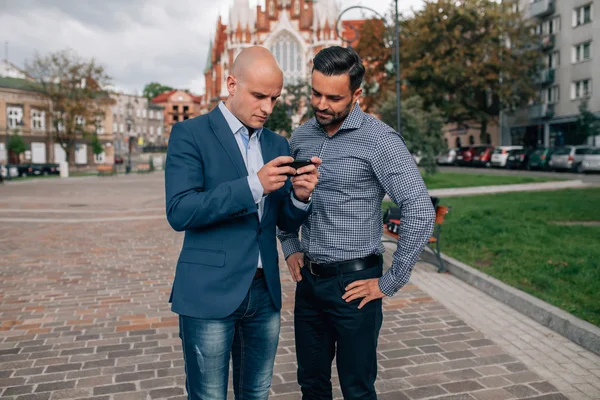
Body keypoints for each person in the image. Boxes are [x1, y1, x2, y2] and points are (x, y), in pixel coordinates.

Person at [277, 46, 435, 400]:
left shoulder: (380, 140)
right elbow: (285, 201)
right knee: (311, 385)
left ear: (356, 94)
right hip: (309, 285)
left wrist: (390, 282)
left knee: (357, 389)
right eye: (315, 93)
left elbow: (420, 210)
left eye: (333, 97)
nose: (321, 104)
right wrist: (289, 246)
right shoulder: (301, 136)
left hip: (356, 286)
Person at [165, 46, 321, 400]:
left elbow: (280, 220)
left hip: (264, 294)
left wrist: (300, 197)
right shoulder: (190, 134)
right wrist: (254, 186)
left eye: (274, 99)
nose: (267, 108)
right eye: (259, 96)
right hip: (208, 293)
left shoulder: (276, 143)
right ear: (231, 84)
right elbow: (180, 210)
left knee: (256, 393)